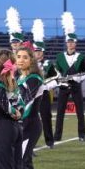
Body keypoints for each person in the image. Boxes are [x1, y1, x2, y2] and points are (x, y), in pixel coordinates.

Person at [54, 12, 85, 143]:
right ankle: (57, 136)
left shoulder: (81, 57)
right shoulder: (59, 57)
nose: (70, 44)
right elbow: (56, 71)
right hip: (63, 86)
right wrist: (60, 80)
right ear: (66, 43)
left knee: (80, 112)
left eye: (72, 42)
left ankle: (82, 135)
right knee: (60, 112)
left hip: (75, 86)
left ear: (75, 43)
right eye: (68, 41)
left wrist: (77, 79)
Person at [15, 47, 44, 169]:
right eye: (18, 56)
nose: (20, 60)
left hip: (30, 125)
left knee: (22, 159)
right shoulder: (20, 78)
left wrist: (17, 118)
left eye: (25, 57)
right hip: (22, 124)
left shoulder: (34, 78)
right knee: (25, 160)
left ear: (31, 60)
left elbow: (29, 102)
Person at [31, 19, 57, 149]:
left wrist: (47, 86)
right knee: (31, 119)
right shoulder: (30, 65)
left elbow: (56, 79)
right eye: (36, 51)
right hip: (31, 95)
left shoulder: (48, 64)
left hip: (44, 93)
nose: (38, 54)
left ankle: (49, 141)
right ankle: (31, 142)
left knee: (46, 117)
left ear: (43, 52)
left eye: (40, 51)